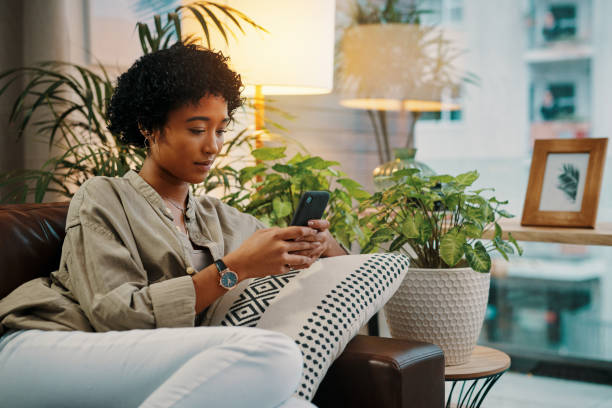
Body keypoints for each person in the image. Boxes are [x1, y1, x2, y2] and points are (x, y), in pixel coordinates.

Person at [0, 43, 409, 407]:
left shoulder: (219, 217)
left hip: (146, 360)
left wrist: (322, 245)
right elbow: (115, 317)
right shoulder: (103, 196)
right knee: (275, 354)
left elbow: (324, 265)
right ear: (148, 125)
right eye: (197, 129)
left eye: (219, 129)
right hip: (48, 345)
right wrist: (233, 270)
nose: (213, 146)